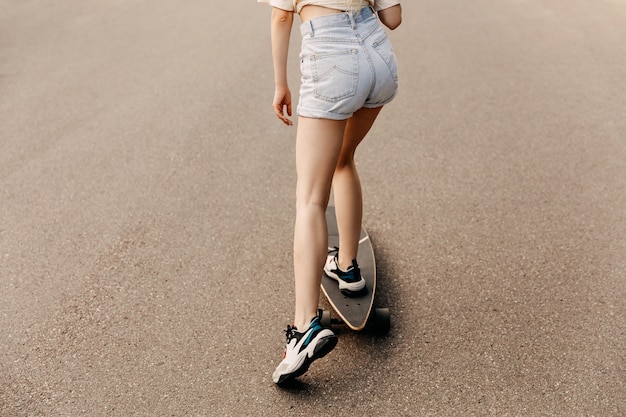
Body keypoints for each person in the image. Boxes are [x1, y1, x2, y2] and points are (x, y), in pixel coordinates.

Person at [258, 0, 402, 385]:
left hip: (332, 60)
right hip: (378, 58)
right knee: (343, 158)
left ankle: (304, 325)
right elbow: (394, 18)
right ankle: (347, 266)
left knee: (310, 199)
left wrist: (280, 84)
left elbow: (280, 16)